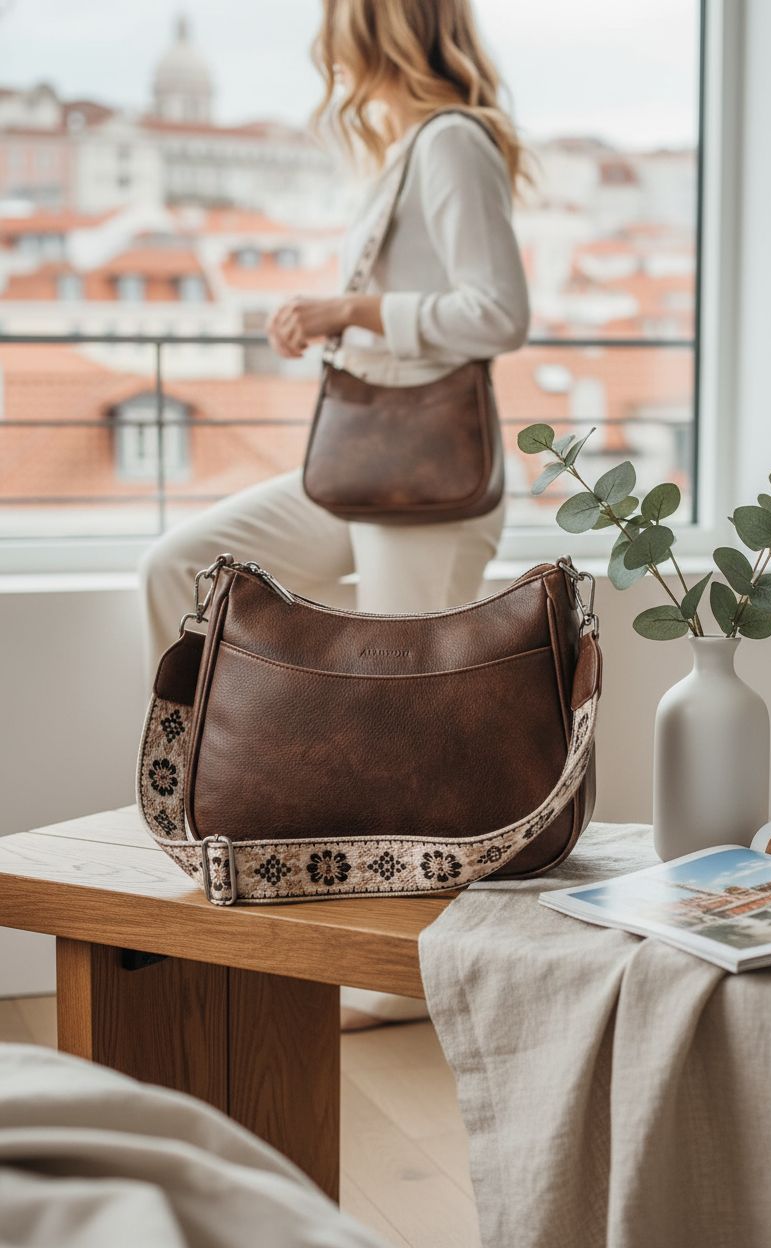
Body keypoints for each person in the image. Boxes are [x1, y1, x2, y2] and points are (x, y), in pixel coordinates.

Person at [139, 0, 531, 1030]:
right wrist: (339, 315)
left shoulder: (449, 143)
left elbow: (498, 313)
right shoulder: (409, 148)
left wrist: (348, 311)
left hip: (425, 481)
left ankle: (408, 972)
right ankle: (223, 811)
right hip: (362, 466)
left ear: (372, 30)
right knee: (188, 567)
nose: (322, 44)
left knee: (408, 731)